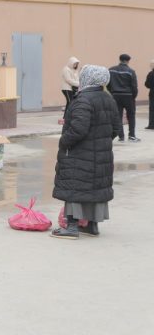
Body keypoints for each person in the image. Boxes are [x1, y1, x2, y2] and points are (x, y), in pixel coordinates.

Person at [52, 65, 121, 239]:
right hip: (102, 154)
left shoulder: (83, 100)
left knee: (74, 186)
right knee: (95, 188)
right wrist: (101, 142)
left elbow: (78, 129)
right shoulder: (108, 99)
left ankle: (72, 226)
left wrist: (64, 141)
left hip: (79, 153)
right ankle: (92, 225)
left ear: (87, 78)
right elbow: (116, 128)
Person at [108, 54, 139, 142]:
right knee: (131, 116)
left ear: (120, 60)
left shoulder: (111, 70)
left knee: (118, 116)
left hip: (115, 95)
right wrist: (134, 96)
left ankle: (121, 136)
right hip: (128, 96)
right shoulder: (131, 71)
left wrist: (111, 92)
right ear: (128, 61)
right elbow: (134, 86)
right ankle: (132, 136)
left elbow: (107, 83)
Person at [60, 57, 80, 122]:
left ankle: (70, 117)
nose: (76, 65)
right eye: (75, 64)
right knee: (70, 102)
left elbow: (76, 79)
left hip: (72, 89)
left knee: (72, 102)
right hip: (67, 88)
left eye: (77, 64)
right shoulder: (66, 69)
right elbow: (68, 80)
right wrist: (78, 84)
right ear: (71, 63)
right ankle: (65, 118)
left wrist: (79, 83)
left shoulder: (73, 70)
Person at [145, 60, 154, 130]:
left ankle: (151, 125)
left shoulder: (151, 74)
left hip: (152, 93)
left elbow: (147, 84)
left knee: (152, 109)